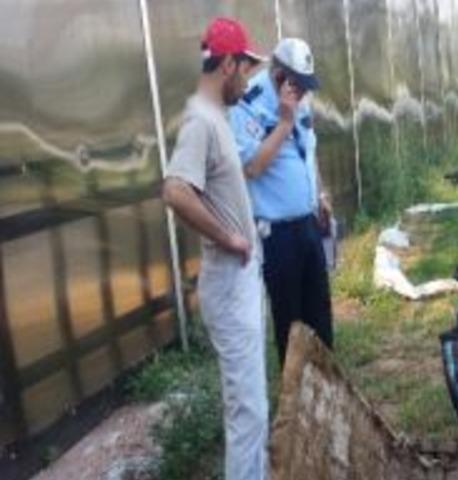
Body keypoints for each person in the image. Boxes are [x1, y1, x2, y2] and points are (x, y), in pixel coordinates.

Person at [161, 18, 268, 480]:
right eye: (245, 68)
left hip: (237, 277)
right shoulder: (201, 122)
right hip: (227, 278)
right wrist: (229, 237)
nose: (248, 78)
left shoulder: (216, 118)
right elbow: (175, 190)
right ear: (227, 64)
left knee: (253, 405)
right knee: (247, 411)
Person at [230, 37, 334, 367]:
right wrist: (284, 122)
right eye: (298, 84)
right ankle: (295, 401)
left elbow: (308, 151)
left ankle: (328, 391)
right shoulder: (248, 103)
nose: (303, 92)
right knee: (290, 322)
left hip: (308, 224)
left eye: (306, 85)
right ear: (279, 77)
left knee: (320, 315)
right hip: (277, 234)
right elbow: (252, 166)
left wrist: (320, 193)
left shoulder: (299, 98)